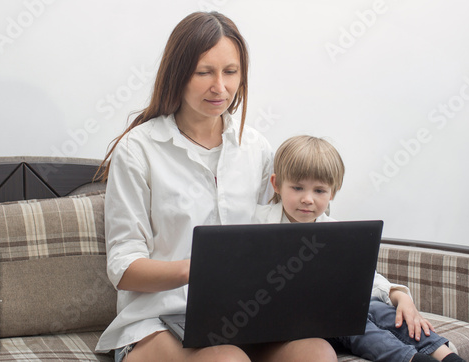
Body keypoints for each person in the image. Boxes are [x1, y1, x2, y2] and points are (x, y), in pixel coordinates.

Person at [95, 12, 337, 362]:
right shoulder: (138, 150)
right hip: (159, 319)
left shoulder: (256, 149)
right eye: (204, 72)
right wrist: (197, 268)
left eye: (230, 72)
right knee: (227, 359)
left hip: (248, 315)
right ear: (177, 74)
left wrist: (389, 291)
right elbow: (123, 267)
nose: (219, 87)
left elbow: (287, 232)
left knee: (318, 352)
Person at [253, 135, 466, 362]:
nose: (308, 199)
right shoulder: (257, 224)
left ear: (332, 193)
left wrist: (399, 296)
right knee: (352, 321)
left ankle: (445, 355)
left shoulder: (336, 232)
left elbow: (362, 279)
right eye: (297, 188)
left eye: (319, 191)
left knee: (378, 310)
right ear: (276, 185)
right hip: (293, 322)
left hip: (331, 315)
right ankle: (409, 359)